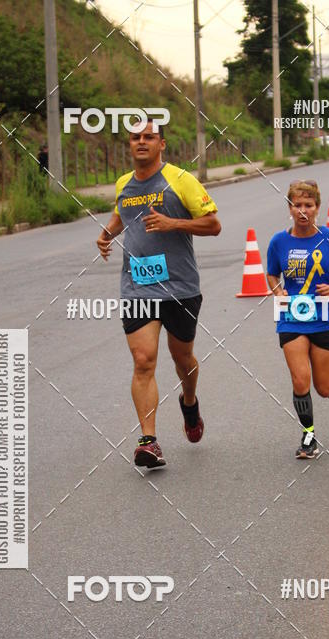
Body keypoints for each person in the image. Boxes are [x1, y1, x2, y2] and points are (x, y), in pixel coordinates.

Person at [96, 120, 221, 468]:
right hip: (137, 287)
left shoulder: (181, 180)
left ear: (161, 144)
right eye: (135, 138)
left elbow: (213, 224)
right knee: (143, 360)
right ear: (129, 144)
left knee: (183, 358)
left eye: (148, 137)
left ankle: (190, 402)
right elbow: (123, 212)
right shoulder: (124, 183)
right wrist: (107, 233)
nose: (141, 142)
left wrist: (174, 223)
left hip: (181, 286)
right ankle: (148, 440)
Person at [266, 180, 329, 459]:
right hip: (292, 318)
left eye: (308, 205)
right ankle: (309, 437)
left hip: (326, 319)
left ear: (317, 208)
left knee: (322, 385)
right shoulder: (279, 242)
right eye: (297, 205)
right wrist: (278, 291)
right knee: (300, 380)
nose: (302, 210)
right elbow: (272, 273)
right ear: (290, 208)